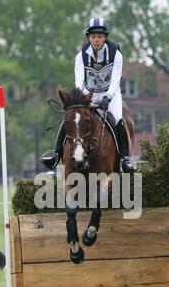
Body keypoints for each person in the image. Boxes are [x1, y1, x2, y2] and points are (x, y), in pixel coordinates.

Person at [41, 17, 137, 173]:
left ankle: (125, 160)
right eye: (93, 37)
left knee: (119, 120)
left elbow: (115, 80)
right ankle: (56, 154)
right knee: (71, 119)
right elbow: (79, 82)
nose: (96, 40)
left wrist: (108, 97)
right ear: (88, 37)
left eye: (100, 36)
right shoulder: (81, 56)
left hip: (110, 94)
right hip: (88, 95)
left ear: (105, 37)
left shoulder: (116, 54)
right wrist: (84, 99)